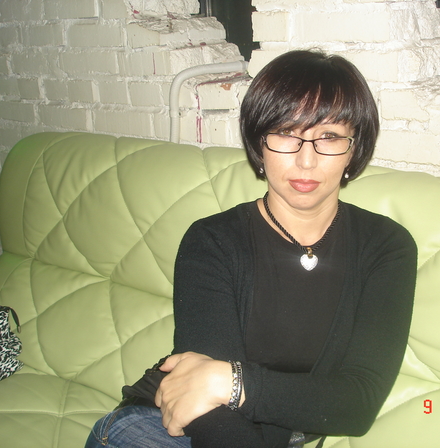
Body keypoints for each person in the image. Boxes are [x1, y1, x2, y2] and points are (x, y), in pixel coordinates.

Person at [85, 49, 417, 448]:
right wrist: (229, 386)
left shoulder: (386, 247)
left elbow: (357, 406)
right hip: (164, 428)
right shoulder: (212, 241)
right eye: (286, 134)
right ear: (259, 144)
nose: (306, 161)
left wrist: (227, 381)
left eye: (329, 136)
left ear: (353, 147)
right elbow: (208, 412)